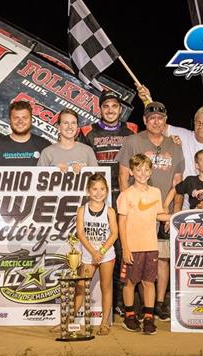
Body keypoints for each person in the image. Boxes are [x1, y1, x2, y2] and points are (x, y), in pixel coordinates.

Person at [116, 101, 184, 321]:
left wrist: (174, 212)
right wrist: (129, 205)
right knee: (132, 256)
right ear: (145, 120)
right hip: (138, 213)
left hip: (162, 209)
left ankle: (158, 304)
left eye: (161, 118)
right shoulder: (133, 140)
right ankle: (127, 306)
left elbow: (178, 182)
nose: (156, 121)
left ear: (166, 122)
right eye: (152, 118)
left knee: (161, 259)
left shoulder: (175, 145)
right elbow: (123, 175)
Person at [78, 89, 136, 317]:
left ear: (120, 109)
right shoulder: (88, 132)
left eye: (114, 106)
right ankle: (93, 303)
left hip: (121, 193)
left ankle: (120, 302)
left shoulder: (131, 130)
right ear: (100, 109)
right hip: (98, 194)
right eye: (106, 106)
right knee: (95, 247)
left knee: (120, 251)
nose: (110, 110)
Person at [117, 154, 171, 335]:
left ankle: (148, 318)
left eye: (146, 170)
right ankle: (129, 315)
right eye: (138, 170)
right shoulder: (125, 195)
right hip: (132, 247)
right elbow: (121, 223)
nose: (142, 173)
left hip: (151, 246)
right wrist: (125, 248)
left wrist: (176, 217)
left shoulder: (156, 192)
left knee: (149, 282)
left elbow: (159, 215)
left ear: (151, 172)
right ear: (131, 171)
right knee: (130, 283)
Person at [74, 174, 118, 336]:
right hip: (88, 255)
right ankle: (68, 320)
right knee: (80, 288)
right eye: (94, 189)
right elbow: (80, 233)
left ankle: (104, 323)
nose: (98, 193)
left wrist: (101, 252)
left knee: (105, 287)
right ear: (88, 191)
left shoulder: (110, 211)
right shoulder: (82, 210)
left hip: (106, 255)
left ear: (106, 192)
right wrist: (93, 252)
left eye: (102, 189)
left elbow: (114, 234)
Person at [0, 100, 51, 166]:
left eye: (25, 118)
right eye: (16, 118)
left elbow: (55, 170)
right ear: (10, 120)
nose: (20, 121)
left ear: (31, 120)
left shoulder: (44, 145)